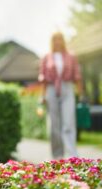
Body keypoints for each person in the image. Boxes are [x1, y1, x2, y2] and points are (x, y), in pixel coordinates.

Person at [38, 31, 83, 159]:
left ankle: (72, 156)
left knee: (68, 123)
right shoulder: (46, 57)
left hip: (67, 88)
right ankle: (57, 156)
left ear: (63, 40)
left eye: (60, 39)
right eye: (55, 39)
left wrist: (80, 94)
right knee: (54, 125)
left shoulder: (71, 56)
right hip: (51, 89)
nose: (58, 41)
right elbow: (43, 79)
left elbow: (77, 75)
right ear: (51, 41)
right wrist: (42, 95)